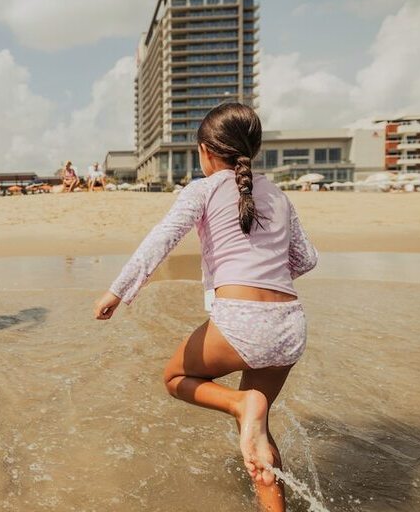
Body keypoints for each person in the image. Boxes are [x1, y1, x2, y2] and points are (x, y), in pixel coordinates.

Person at [93, 103, 317, 512]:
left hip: (242, 321)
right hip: (290, 326)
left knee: (175, 376)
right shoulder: (280, 195)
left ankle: (239, 403)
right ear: (255, 148)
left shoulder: (202, 188)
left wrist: (118, 291)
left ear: (205, 152)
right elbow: (306, 260)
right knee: (257, 431)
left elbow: (162, 239)